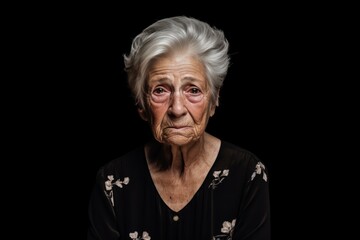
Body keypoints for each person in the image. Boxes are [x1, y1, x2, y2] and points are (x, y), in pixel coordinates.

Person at [87, 15, 271, 240]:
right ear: (142, 106)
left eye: (193, 90)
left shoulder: (247, 174)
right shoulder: (112, 182)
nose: (176, 109)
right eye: (160, 90)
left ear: (213, 101)